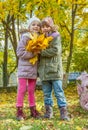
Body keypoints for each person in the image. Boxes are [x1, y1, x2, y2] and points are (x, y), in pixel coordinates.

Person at [38, 17, 70, 120]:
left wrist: (41, 52)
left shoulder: (56, 37)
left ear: (51, 26)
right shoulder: (39, 39)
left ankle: (63, 113)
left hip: (55, 70)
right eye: (43, 27)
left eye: (47, 26)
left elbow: (56, 50)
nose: (45, 28)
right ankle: (48, 113)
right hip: (44, 71)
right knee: (46, 94)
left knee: (59, 92)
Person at [16, 17, 41, 120]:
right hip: (24, 68)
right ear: (29, 27)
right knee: (22, 89)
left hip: (33, 69)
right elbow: (20, 52)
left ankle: (33, 109)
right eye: (33, 24)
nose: (36, 26)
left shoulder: (40, 39)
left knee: (31, 90)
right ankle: (19, 110)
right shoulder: (25, 37)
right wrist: (32, 54)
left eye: (38, 25)